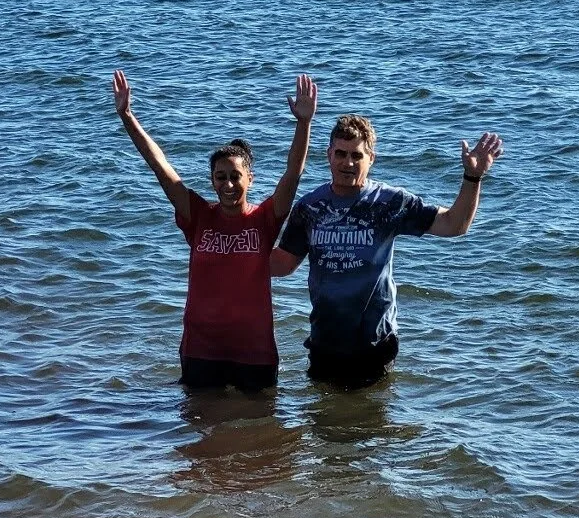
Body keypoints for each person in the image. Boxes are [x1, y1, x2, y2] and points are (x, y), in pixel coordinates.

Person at [112, 69, 317, 391]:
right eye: (220, 177)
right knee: (200, 432)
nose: (228, 184)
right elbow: (160, 167)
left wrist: (304, 123)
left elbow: (293, 173)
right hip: (201, 348)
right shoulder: (198, 216)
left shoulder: (265, 219)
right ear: (212, 180)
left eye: (235, 176)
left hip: (255, 350)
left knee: (263, 433)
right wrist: (127, 116)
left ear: (250, 179)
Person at [270, 113, 503, 388]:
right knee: (324, 424)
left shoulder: (389, 203)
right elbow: (281, 265)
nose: (348, 163)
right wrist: (226, 247)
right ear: (329, 155)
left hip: (375, 343)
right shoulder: (310, 207)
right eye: (341, 154)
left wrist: (472, 177)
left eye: (357, 156)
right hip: (325, 341)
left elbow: (454, 225)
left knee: (370, 425)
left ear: (371, 159)